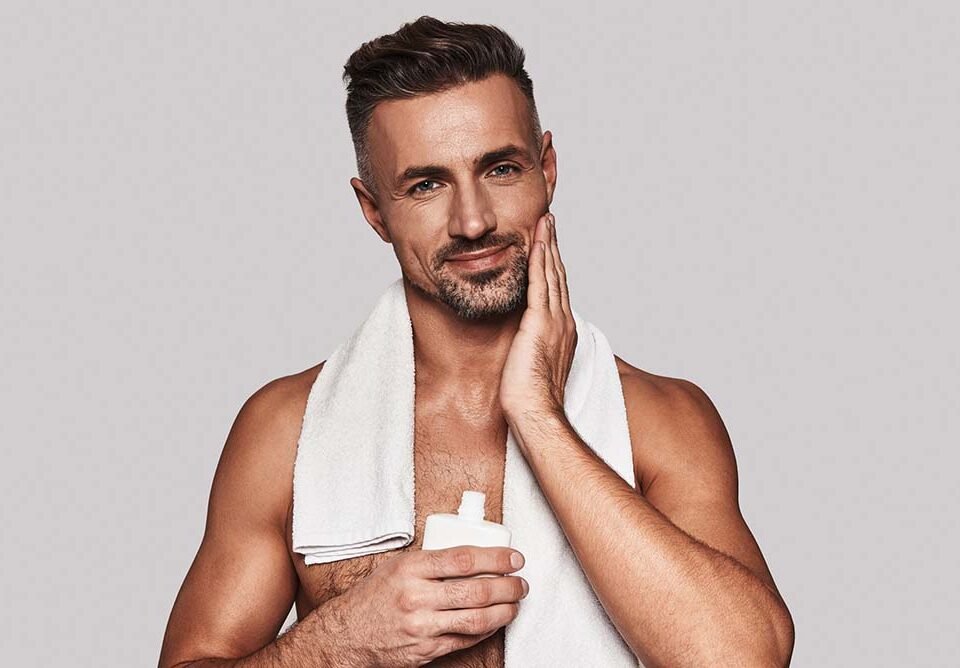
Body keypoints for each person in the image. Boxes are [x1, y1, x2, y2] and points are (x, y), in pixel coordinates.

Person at [159, 16, 794, 668]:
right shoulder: (286, 432)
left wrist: (540, 419)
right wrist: (339, 644)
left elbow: (744, 659)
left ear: (546, 168)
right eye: (426, 184)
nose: (472, 221)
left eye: (500, 169)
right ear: (373, 208)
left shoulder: (660, 422)